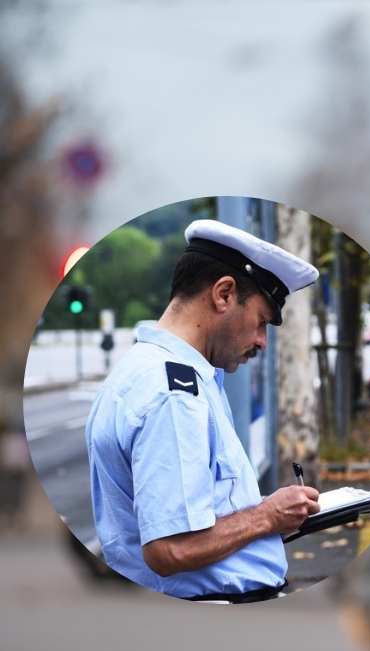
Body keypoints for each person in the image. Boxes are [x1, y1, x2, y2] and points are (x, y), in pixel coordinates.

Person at [86, 219, 321, 602]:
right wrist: (267, 516)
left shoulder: (148, 370)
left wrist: (270, 513)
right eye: (261, 321)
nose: (262, 341)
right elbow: (170, 550)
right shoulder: (173, 394)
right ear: (224, 294)